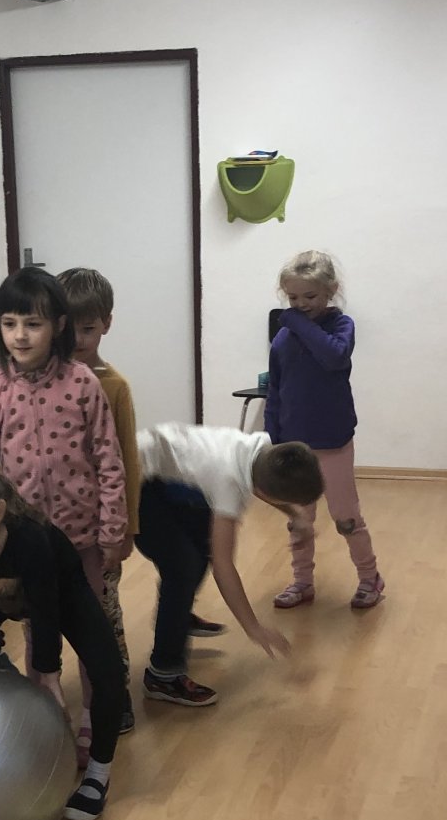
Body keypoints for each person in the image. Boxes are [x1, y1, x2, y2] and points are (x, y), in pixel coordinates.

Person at [0, 268, 128, 753]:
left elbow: (108, 459)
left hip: (83, 540)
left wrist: (113, 529)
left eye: (33, 324)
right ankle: (46, 721)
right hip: (29, 546)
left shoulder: (82, 383)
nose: (20, 335)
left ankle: (96, 715)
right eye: (10, 323)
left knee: (92, 632)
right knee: (40, 636)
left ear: (58, 325)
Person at [0, 447, 128, 820]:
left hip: (59, 593)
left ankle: (98, 775)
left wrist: (48, 674)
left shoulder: (30, 540)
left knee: (109, 673)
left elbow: (45, 611)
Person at [135, 422, 324, 707]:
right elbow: (224, 566)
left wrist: (295, 513)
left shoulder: (261, 450)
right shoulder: (228, 481)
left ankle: (176, 615)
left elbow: (261, 483)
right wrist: (254, 627)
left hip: (167, 475)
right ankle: (163, 673)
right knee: (183, 566)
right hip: (134, 484)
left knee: (199, 548)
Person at [265, 250, 385, 611]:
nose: (301, 305)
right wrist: (273, 438)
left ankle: (370, 578)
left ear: (331, 291)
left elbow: (334, 357)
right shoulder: (283, 337)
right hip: (294, 446)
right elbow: (275, 390)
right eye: (292, 298)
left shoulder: (340, 327)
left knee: (346, 518)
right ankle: (302, 581)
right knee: (299, 519)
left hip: (333, 441)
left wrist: (295, 321)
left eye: (310, 296)